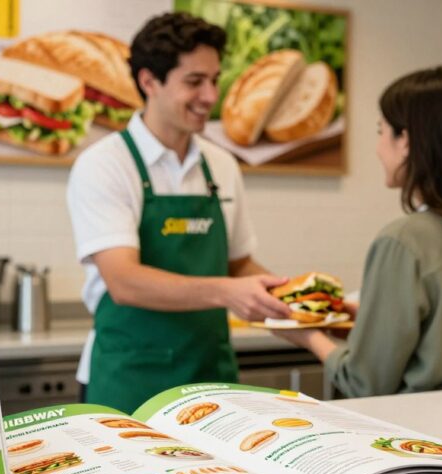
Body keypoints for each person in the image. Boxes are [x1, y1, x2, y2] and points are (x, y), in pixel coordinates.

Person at [66, 13, 290, 413]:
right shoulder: (105, 164)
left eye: (214, 79)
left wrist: (296, 300)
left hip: (211, 380)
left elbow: (239, 265)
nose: (210, 96)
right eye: (194, 81)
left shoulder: (222, 166)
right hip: (129, 382)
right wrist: (227, 292)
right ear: (149, 81)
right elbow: (124, 281)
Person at [274, 66, 442, 397]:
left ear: (406, 141)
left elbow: (365, 382)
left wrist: (306, 334)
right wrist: (371, 321)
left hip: (417, 440)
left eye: (380, 131)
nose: (377, 147)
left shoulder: (403, 241)